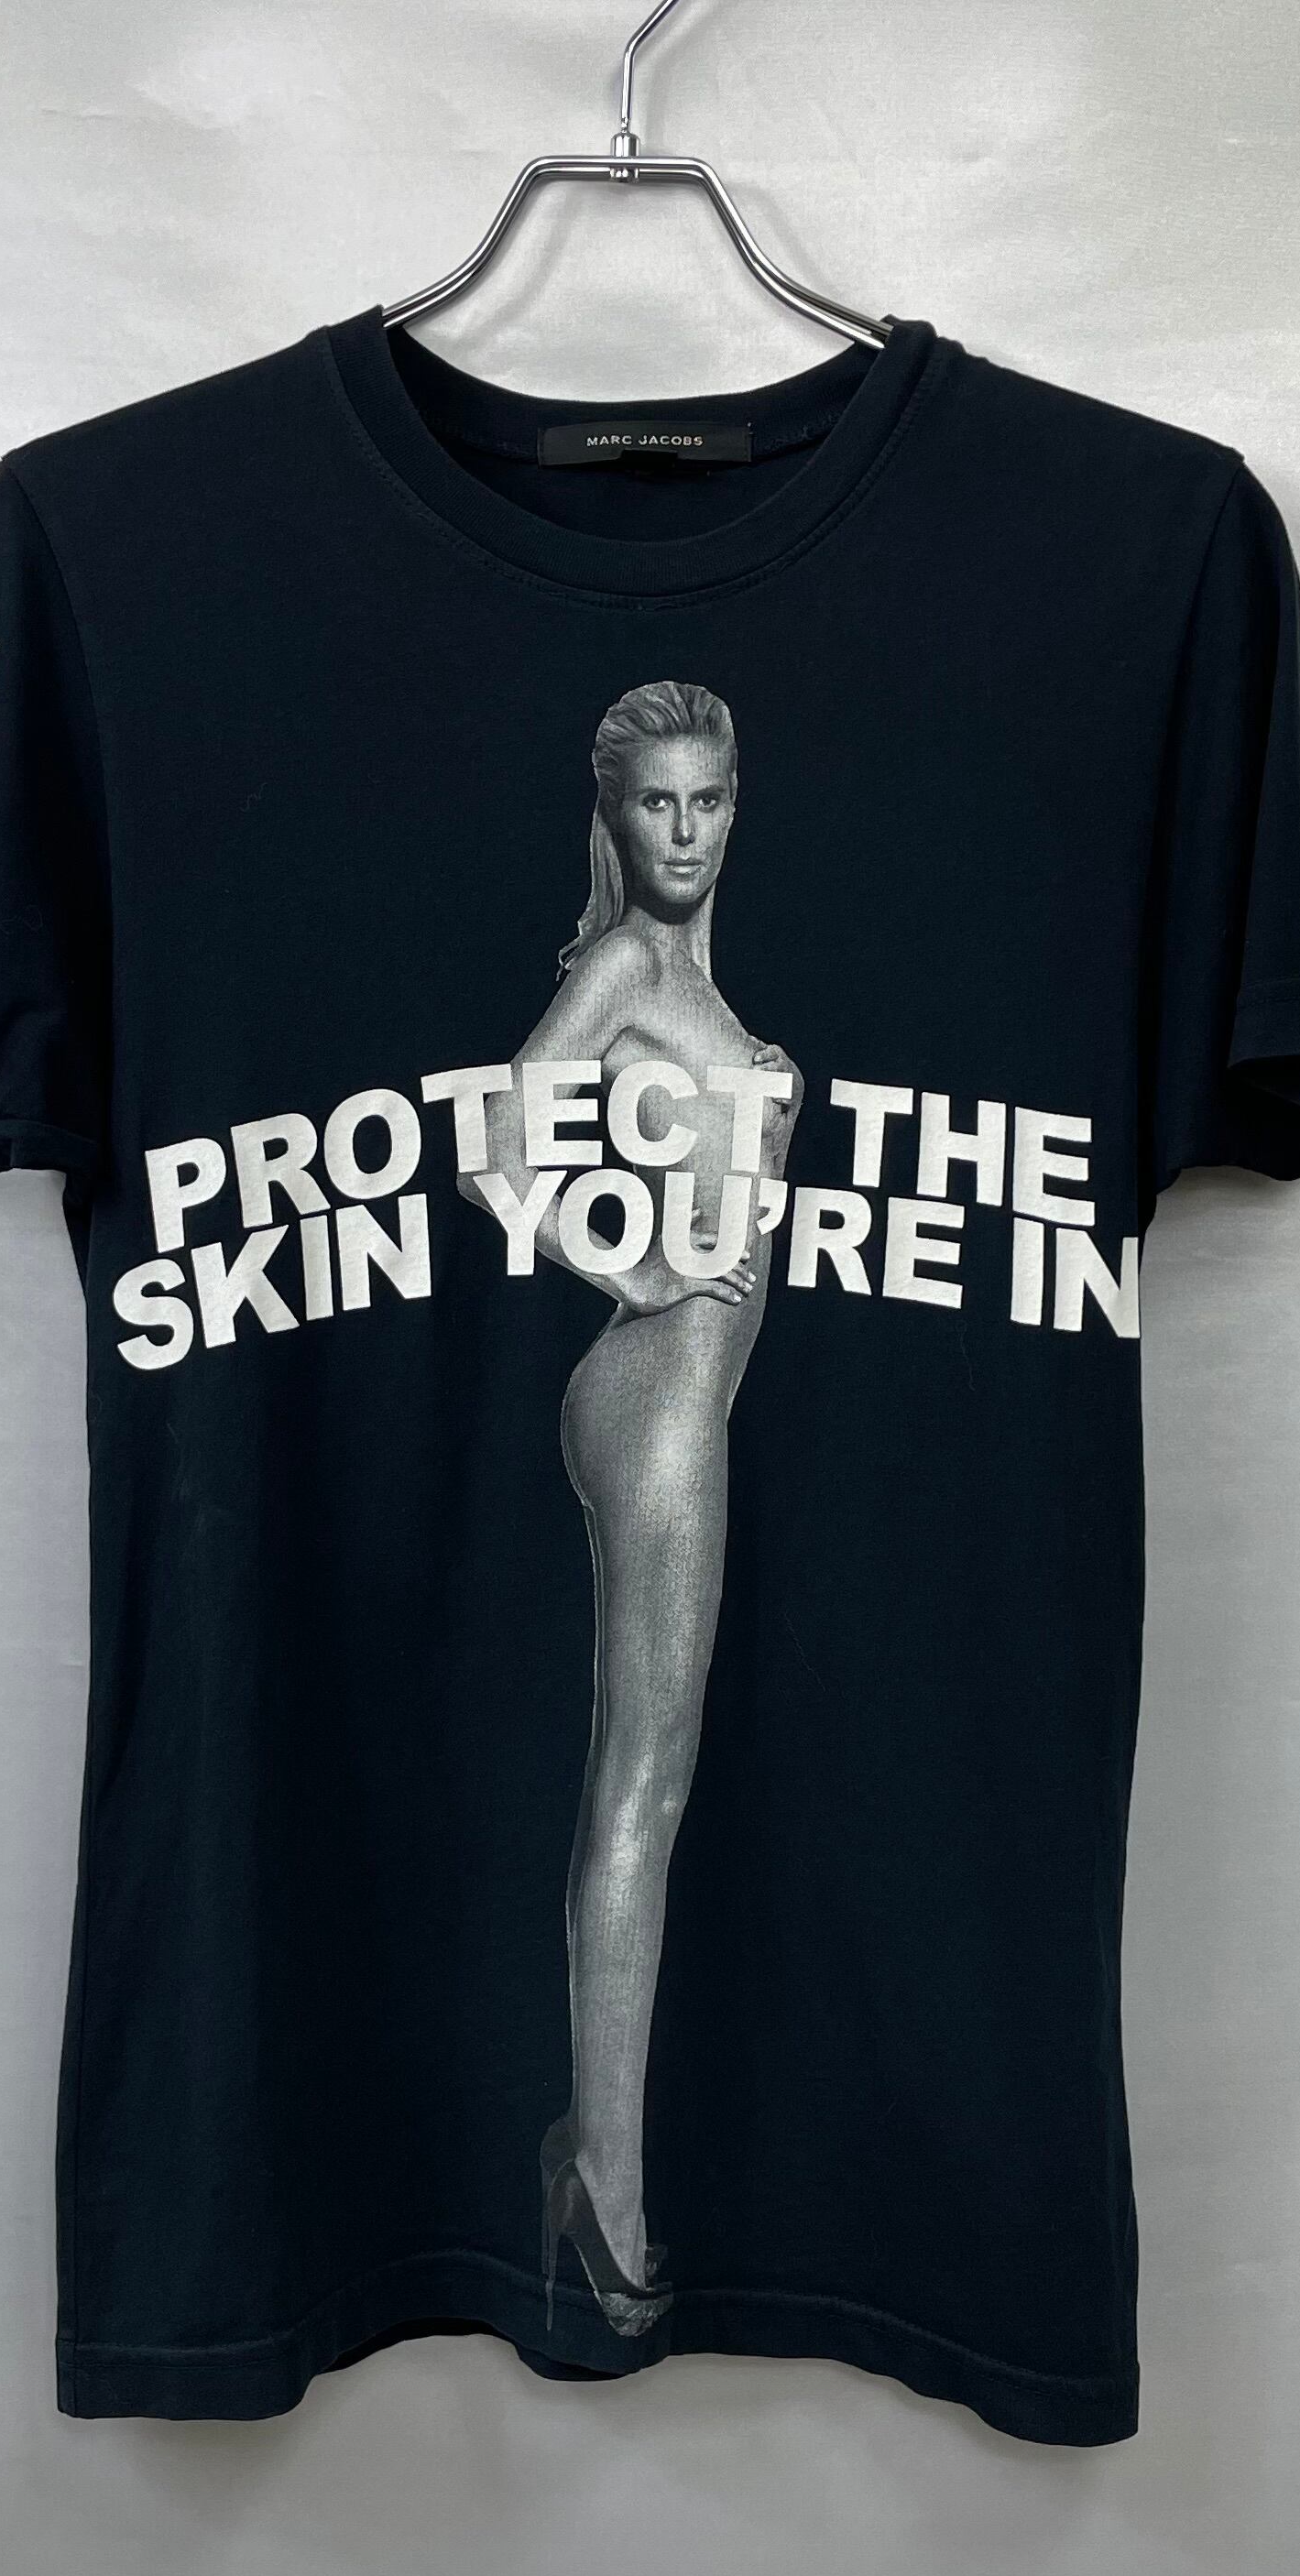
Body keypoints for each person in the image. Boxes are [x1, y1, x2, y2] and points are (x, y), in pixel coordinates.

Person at [458, 681, 802, 2337]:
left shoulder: (692, 983)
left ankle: (596, 2172)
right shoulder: (623, 971)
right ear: (613, 813)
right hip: (657, 1396)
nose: (684, 831)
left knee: (654, 1784)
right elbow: (491, 1143)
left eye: (708, 799)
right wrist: (635, 1268)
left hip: (683, 1399)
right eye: (656, 802)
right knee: (641, 1795)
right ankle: (608, 2194)